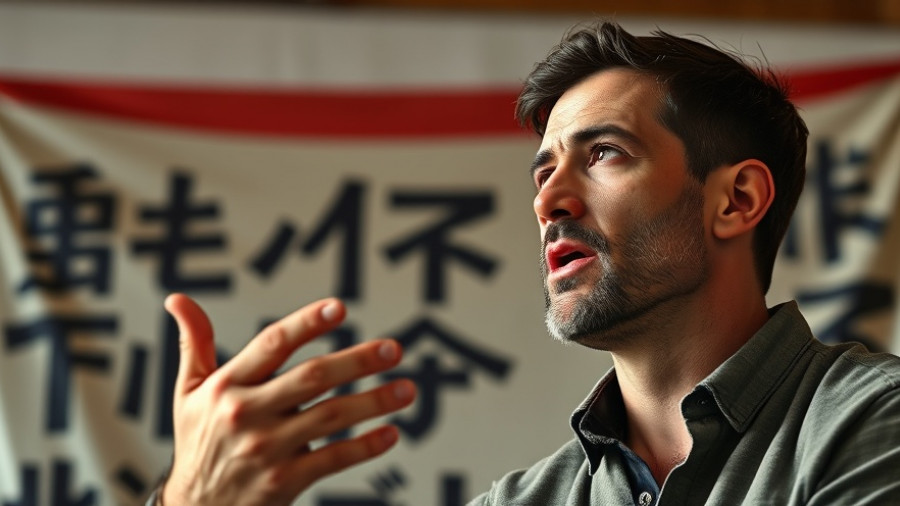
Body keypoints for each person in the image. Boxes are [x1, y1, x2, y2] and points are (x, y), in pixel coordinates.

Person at [149, 21, 900, 505]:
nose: (549, 202)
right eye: (543, 172)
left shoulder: (873, 420)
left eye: (604, 154)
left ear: (736, 200)